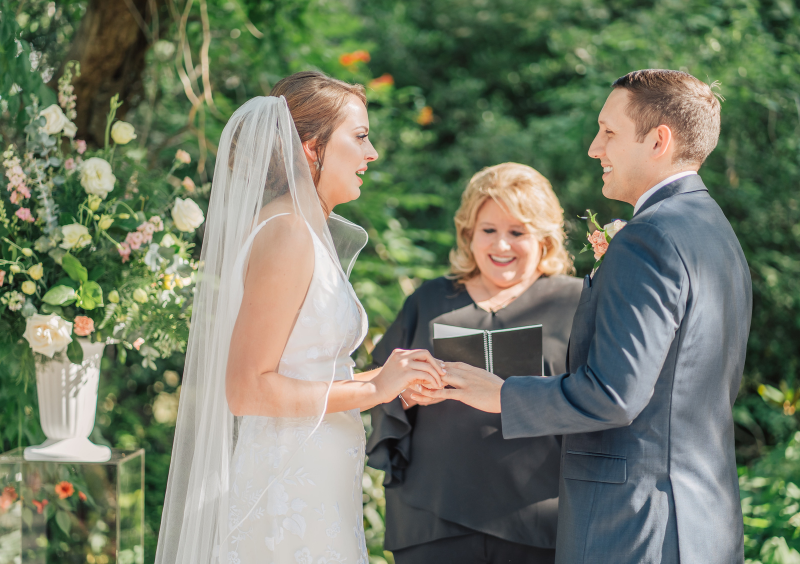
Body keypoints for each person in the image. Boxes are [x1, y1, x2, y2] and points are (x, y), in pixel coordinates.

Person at [426, 70, 752, 564]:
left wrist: (501, 394)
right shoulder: (714, 231)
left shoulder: (650, 238)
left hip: (634, 525)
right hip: (700, 522)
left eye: (609, 132)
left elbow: (615, 395)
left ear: (659, 140)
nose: (594, 148)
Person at [154, 71, 445, 564]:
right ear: (311, 148)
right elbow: (247, 388)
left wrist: (392, 378)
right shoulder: (287, 232)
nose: (371, 154)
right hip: (287, 487)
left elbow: (308, 370)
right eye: (360, 137)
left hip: (317, 479)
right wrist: (373, 390)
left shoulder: (307, 228)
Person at [366, 163, 582, 564]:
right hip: (432, 518)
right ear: (468, 233)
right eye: (488, 230)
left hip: (541, 521)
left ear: (545, 238)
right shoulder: (429, 301)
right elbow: (379, 389)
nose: (502, 246)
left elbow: (600, 398)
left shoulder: (576, 303)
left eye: (517, 232)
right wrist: (405, 394)